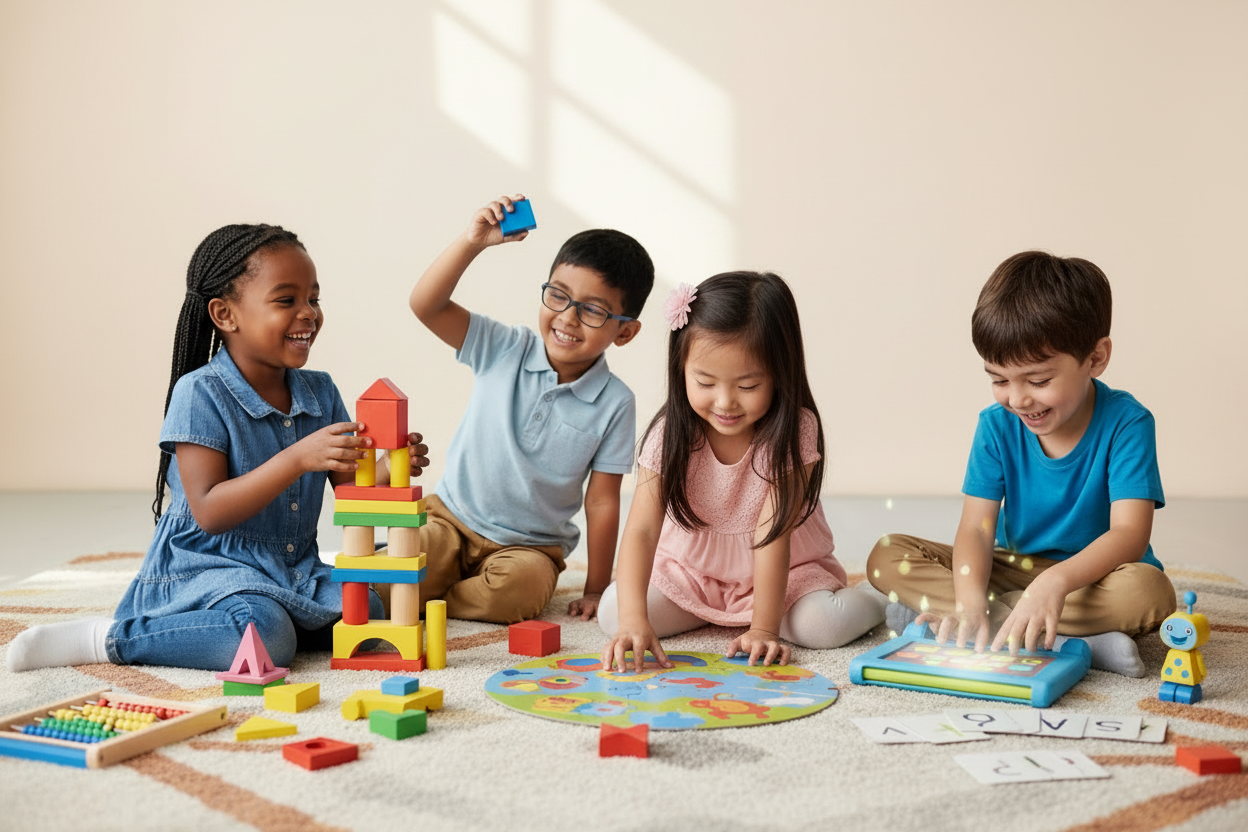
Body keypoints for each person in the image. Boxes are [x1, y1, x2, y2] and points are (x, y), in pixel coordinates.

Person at [7, 223, 428, 672]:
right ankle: (108, 638)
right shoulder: (200, 393)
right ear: (225, 315)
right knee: (265, 638)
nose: (308, 313)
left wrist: (389, 466)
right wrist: (297, 457)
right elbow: (209, 510)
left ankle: (266, 617)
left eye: (314, 298)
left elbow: (349, 489)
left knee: (369, 614)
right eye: (287, 300)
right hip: (209, 568)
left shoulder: (320, 392)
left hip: (292, 570)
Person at [867, 250, 1175, 677]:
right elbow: (977, 527)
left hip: (1095, 579)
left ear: (1096, 358)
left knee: (1150, 592)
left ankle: (994, 622)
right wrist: (973, 600)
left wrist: (1054, 585)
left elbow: (1130, 534)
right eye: (998, 380)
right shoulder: (995, 426)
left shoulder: (1128, 422)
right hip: (1016, 569)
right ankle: (1032, 630)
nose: (1017, 399)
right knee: (887, 554)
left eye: (1039, 380)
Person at [599, 272, 886, 671]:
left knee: (822, 625)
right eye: (704, 381)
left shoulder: (793, 431)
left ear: (779, 374)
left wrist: (765, 630)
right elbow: (643, 531)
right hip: (693, 573)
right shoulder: (668, 434)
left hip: (782, 575)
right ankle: (711, 612)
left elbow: (772, 537)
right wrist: (633, 622)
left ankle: (877, 599)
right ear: (681, 369)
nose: (725, 402)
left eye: (748, 385)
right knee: (614, 611)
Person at [409, 195, 653, 623]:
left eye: (593, 310)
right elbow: (425, 305)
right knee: (401, 564)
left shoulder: (616, 402)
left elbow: (601, 502)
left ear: (626, 332)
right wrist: (473, 243)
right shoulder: (503, 346)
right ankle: (434, 583)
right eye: (558, 296)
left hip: (530, 547)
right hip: (449, 518)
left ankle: (439, 596)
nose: (568, 318)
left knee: (516, 595)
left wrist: (597, 588)